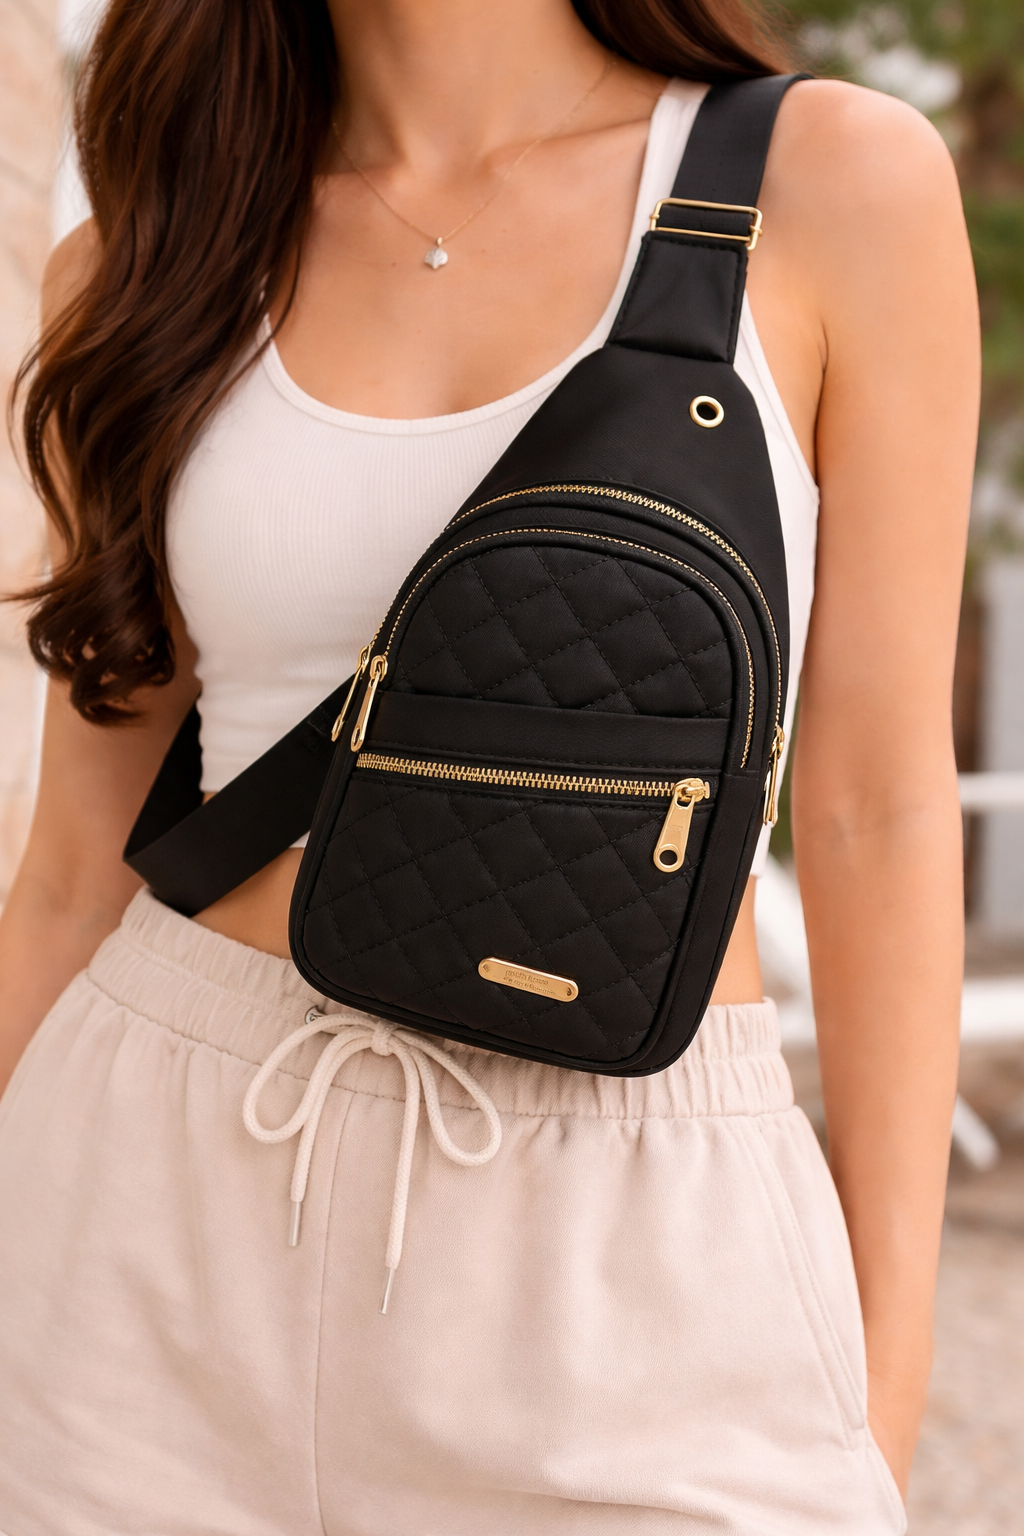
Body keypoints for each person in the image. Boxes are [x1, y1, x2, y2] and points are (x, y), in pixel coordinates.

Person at [0, 1, 977, 1531]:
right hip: (140, 1208)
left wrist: (884, 1391)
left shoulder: (831, 182)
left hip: (630, 1225)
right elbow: (70, 871)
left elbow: (878, 811)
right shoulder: (147, 259)